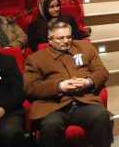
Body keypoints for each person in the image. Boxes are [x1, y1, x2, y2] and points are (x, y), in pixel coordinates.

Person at [24, 19, 111, 147]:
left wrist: (89, 81)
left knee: (101, 116)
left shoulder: (85, 47)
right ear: (50, 39)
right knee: (50, 126)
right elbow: (30, 88)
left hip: (84, 102)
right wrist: (59, 86)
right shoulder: (35, 59)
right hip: (53, 107)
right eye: (61, 38)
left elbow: (102, 72)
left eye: (68, 37)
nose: (66, 41)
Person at [0, 39, 26, 147]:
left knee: (10, 132)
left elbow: (19, 91)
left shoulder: (8, 61)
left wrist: (2, 109)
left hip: (8, 111)